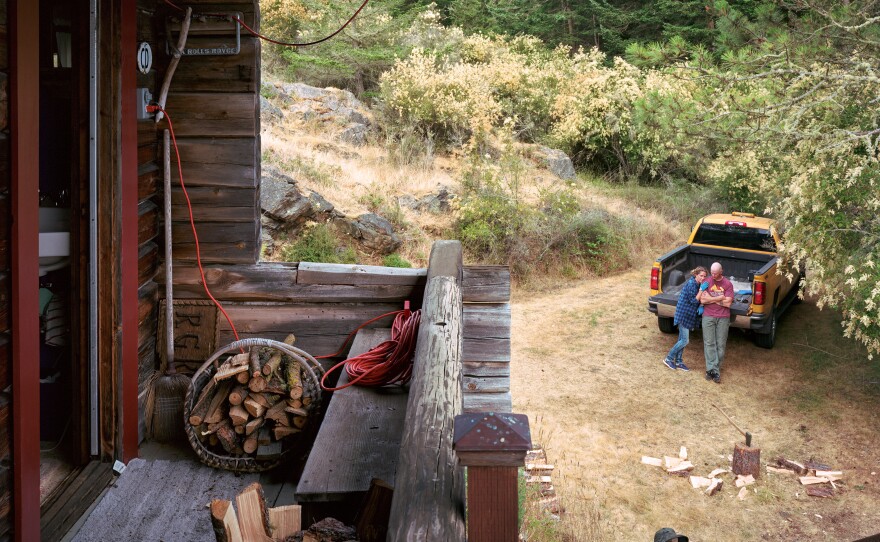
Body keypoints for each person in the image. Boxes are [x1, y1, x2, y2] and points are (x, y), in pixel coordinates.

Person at [662, 266, 708, 371]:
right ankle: (668, 358)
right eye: (701, 275)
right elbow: (693, 301)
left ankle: (678, 361)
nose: (703, 278)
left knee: (681, 339)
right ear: (695, 274)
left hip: (689, 315)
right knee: (685, 340)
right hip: (683, 315)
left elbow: (698, 301)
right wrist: (701, 290)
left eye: (704, 276)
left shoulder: (698, 284)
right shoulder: (692, 284)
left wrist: (701, 306)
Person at [700, 261, 734, 383]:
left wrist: (711, 299)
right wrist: (720, 298)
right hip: (708, 316)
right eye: (711, 272)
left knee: (721, 345)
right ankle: (713, 370)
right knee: (709, 343)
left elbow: (728, 303)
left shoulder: (728, 284)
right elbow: (703, 300)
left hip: (723, 317)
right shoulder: (707, 282)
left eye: (715, 273)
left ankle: (713, 369)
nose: (713, 275)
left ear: (721, 271)